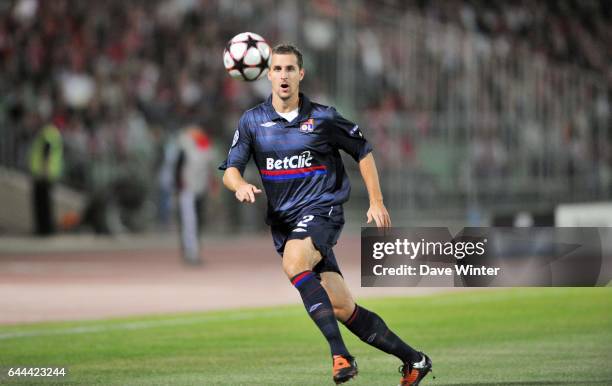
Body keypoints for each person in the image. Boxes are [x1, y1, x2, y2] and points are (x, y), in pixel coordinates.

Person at [220, 44, 432, 385]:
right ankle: (415, 360)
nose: (284, 75)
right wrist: (239, 185)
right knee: (342, 308)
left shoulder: (323, 117)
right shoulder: (252, 121)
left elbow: (362, 149)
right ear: (268, 74)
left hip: (323, 210)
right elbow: (230, 169)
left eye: (290, 69)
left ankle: (340, 355)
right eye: (278, 69)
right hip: (285, 222)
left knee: (293, 263)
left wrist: (376, 201)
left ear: (300, 74)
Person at [175, 125, 213, 264]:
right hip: (188, 190)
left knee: (197, 222)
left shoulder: (205, 147)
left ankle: (194, 251)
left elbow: (208, 169)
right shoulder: (185, 146)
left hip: (200, 190)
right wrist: (179, 187)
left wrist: (210, 186)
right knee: (189, 222)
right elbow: (178, 168)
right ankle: (190, 252)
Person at [29, 123, 63, 236]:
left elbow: (46, 154)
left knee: (42, 205)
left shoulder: (46, 134)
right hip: (47, 176)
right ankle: (46, 229)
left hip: (43, 176)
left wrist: (45, 172)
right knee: (46, 205)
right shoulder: (53, 134)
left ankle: (44, 230)